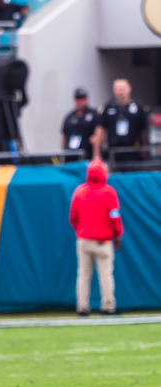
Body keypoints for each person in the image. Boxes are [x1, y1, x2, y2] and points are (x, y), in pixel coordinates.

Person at [69, 160, 123, 317]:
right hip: (102, 241)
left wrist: (80, 231)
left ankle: (82, 307)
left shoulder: (80, 191)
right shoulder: (108, 192)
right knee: (105, 275)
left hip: (84, 240)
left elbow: (73, 217)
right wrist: (118, 235)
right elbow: (114, 216)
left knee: (83, 275)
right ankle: (108, 307)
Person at [94, 78, 148, 164]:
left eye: (122, 89)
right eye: (118, 89)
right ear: (114, 90)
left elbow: (144, 129)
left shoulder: (138, 107)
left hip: (134, 150)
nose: (120, 92)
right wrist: (96, 153)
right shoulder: (107, 107)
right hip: (113, 150)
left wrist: (145, 148)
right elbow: (99, 129)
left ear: (129, 89)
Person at [61, 87, 98, 161]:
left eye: (82, 99)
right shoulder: (69, 117)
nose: (80, 102)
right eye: (78, 99)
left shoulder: (94, 114)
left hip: (88, 155)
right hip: (71, 155)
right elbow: (64, 137)